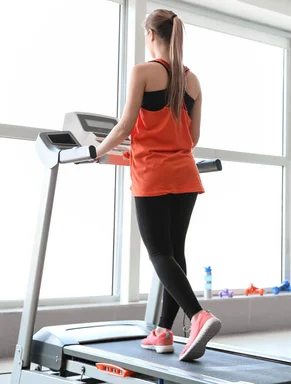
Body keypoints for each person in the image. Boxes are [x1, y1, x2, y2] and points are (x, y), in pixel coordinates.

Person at [94, 9, 222, 360]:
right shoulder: (192, 81)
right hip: (185, 175)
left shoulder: (143, 72)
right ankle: (164, 332)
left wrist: (96, 151)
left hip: (152, 175)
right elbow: (192, 138)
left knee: (159, 254)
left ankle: (198, 315)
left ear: (151, 35)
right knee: (174, 253)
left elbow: (123, 127)